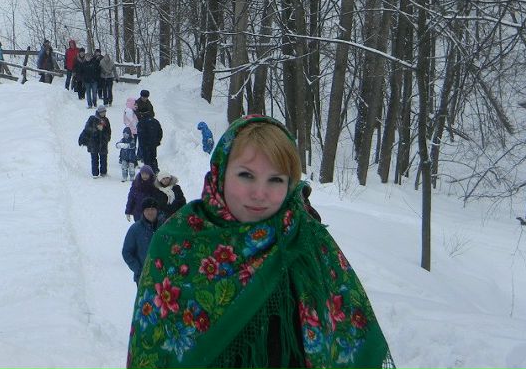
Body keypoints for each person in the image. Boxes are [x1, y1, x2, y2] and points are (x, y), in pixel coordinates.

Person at [126, 115, 393, 369]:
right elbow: (155, 348)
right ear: (221, 172)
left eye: (276, 179)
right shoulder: (179, 243)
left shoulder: (306, 240)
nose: (260, 193)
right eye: (246, 175)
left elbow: (344, 334)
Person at [121, 197, 161, 282]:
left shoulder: (164, 227)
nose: (150, 212)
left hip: (163, 277)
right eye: (147, 209)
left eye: (153, 209)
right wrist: (139, 269)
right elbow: (126, 252)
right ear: (143, 211)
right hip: (143, 278)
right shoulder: (135, 229)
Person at [78, 106, 112, 177]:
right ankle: (95, 173)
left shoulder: (106, 120)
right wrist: (96, 128)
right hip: (93, 142)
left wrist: (107, 138)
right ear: (99, 112)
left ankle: (103, 172)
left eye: (104, 112)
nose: (103, 113)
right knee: (94, 158)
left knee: (104, 158)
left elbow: (109, 130)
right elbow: (87, 129)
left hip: (103, 142)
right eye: (102, 112)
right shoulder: (92, 119)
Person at [136, 107, 163, 172]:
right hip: (153, 144)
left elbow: (141, 136)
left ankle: (149, 173)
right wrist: (157, 141)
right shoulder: (155, 121)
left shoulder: (141, 123)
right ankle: (155, 170)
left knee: (147, 160)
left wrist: (141, 146)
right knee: (153, 158)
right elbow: (160, 132)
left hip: (145, 145)